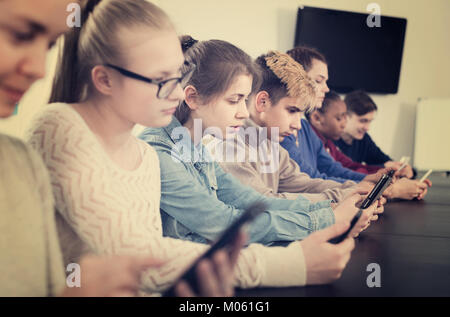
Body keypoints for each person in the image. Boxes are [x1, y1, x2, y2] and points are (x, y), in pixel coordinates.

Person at [25, 0, 361, 294]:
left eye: (178, 77)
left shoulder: (143, 156)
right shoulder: (61, 126)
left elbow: (245, 204)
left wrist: (325, 215)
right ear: (105, 79)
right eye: (162, 80)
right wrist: (293, 262)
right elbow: (137, 258)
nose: (176, 93)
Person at [140, 37, 376, 247]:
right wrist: (327, 219)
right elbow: (222, 222)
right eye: (234, 100)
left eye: (245, 100)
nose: (244, 113)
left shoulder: (196, 149)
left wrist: (332, 208)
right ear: (193, 98)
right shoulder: (160, 153)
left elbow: (253, 201)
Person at [205, 50, 377, 207]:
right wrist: (343, 195)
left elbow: (305, 183)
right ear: (262, 102)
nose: (297, 124)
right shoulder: (230, 145)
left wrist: (356, 188)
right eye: (292, 111)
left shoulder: (271, 144)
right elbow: (264, 204)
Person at [280, 46, 388, 184]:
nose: (326, 88)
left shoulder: (305, 128)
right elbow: (310, 179)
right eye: (319, 81)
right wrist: (368, 186)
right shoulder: (281, 133)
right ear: (296, 79)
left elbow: (332, 168)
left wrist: (370, 179)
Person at [334, 90, 431, 200]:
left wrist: (405, 172)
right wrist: (388, 173)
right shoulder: (330, 141)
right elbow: (345, 172)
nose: (367, 127)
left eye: (370, 121)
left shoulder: (363, 139)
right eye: (363, 121)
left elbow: (383, 161)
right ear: (345, 116)